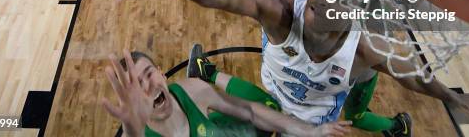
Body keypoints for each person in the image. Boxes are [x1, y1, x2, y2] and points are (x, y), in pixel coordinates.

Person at [113, 0, 469, 136]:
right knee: (258, 108)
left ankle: (393, 125)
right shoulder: (280, 12)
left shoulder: (365, 47)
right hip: (275, 94)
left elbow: (410, 75)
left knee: (351, 111)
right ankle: (208, 73)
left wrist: (451, 96)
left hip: (317, 119)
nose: (316, 4)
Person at [102, 49, 351, 136]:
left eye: (149, 74)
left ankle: (206, 73)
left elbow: (251, 111)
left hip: (217, 129)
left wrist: (311, 130)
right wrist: (132, 132)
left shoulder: (191, 92)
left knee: (269, 110)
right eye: (136, 85)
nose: (147, 85)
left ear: (161, 72)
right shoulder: (137, 132)